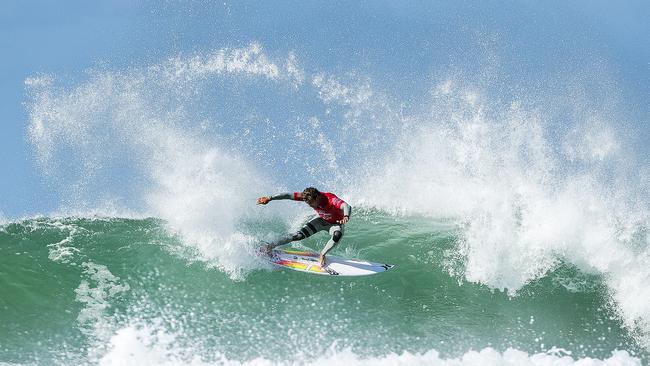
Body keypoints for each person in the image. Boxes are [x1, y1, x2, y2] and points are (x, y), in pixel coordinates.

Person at [256, 187, 351, 267]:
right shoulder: (307, 196)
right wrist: (270, 198)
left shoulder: (330, 199)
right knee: (297, 236)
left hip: (335, 224)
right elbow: (288, 195)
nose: (310, 206)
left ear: (317, 197)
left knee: (337, 235)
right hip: (321, 221)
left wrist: (346, 216)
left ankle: (323, 254)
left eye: (311, 203)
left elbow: (346, 205)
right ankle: (268, 247)